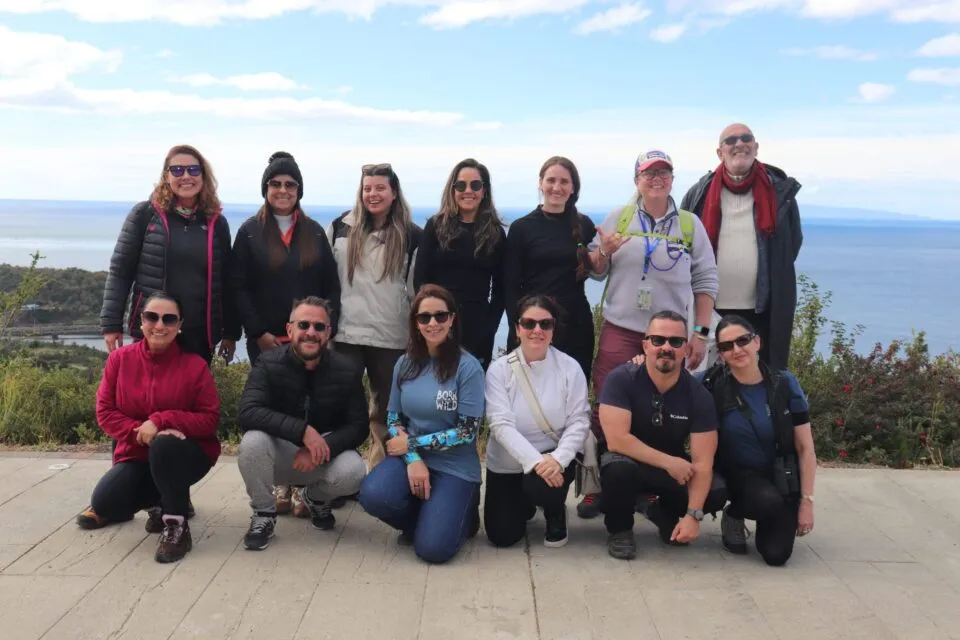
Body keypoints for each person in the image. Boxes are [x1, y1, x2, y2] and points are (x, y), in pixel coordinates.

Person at [577, 149, 719, 520]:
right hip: (622, 329)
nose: (656, 179)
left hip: (671, 337)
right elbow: (595, 270)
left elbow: (706, 282)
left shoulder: (690, 225)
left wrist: (701, 335)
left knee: (665, 410)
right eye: (648, 173)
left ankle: (649, 487)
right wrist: (602, 254)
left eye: (664, 173)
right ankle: (599, 485)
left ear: (673, 179)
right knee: (606, 408)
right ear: (636, 179)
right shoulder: (618, 218)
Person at [232, 151, 342, 518]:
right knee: (273, 409)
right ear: (266, 188)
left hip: (310, 340)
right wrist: (258, 331)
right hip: (266, 340)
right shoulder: (249, 231)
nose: (282, 190)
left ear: (299, 190)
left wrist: (327, 330)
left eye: (289, 184)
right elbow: (239, 287)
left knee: (308, 406)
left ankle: (303, 485)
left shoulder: (313, 232)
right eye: (276, 183)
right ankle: (278, 484)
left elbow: (331, 286)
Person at [76, 293, 220, 564]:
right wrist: (141, 431)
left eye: (169, 319)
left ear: (180, 325)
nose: (159, 325)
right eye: (151, 317)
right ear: (141, 322)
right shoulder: (119, 360)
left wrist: (162, 421)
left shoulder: (195, 365)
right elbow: (105, 413)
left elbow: (209, 419)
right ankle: (159, 501)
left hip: (187, 454)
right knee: (106, 503)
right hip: (137, 452)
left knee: (165, 445)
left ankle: (176, 525)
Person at [358, 284, 485, 564]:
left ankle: (462, 517)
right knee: (372, 495)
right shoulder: (404, 364)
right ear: (415, 323)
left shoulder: (469, 368)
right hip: (411, 460)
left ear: (452, 319)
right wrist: (413, 457)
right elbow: (393, 418)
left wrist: (411, 443)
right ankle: (428, 517)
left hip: (455, 467)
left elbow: (466, 432)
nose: (432, 323)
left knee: (433, 551)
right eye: (424, 317)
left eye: (440, 316)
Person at [236, 297, 368, 550]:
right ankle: (264, 514)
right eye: (304, 325)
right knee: (252, 442)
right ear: (290, 329)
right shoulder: (268, 362)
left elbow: (358, 425)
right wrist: (302, 432)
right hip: (281, 455)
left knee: (354, 471)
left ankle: (314, 498)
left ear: (328, 333)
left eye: (319, 327)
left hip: (320, 455)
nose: (311, 333)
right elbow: (248, 412)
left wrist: (321, 446)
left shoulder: (347, 369)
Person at [597, 310, 726, 561]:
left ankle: (662, 511)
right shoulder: (621, 379)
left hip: (670, 469)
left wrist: (693, 515)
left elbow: (702, 462)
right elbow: (617, 440)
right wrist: (670, 462)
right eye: (658, 340)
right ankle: (620, 530)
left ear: (686, 349)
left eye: (675, 342)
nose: (666, 347)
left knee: (717, 491)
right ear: (645, 345)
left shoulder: (698, 395)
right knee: (618, 471)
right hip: (627, 460)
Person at [100, 144, 240, 364]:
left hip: (198, 334)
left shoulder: (216, 223)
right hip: (154, 328)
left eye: (193, 170)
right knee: (147, 395)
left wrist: (230, 333)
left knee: (192, 395)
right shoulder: (145, 215)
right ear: (166, 176)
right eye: (177, 170)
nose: (186, 176)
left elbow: (227, 282)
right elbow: (120, 271)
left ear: (203, 176)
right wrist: (110, 324)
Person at [680, 123, 803, 372]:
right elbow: (682, 246)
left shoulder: (780, 192)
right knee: (709, 377)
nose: (739, 144)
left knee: (760, 376)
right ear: (719, 152)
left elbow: (791, 244)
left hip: (764, 309)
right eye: (731, 140)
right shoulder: (699, 193)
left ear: (756, 147)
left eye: (746, 138)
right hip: (709, 309)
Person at [701, 315, 817, 566]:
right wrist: (639, 362)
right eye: (726, 346)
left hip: (782, 474)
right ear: (720, 353)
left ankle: (763, 513)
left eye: (742, 340)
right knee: (766, 500)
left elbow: (805, 448)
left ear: (757, 342)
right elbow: (670, 376)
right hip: (738, 473)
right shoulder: (712, 383)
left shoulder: (786, 384)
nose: (736, 350)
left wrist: (807, 501)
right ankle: (734, 513)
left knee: (776, 555)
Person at [327, 163, 422, 468]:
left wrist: (415, 337)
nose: (373, 194)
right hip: (345, 334)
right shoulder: (340, 227)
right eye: (367, 188)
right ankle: (341, 474)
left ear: (394, 193)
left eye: (380, 188)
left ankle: (380, 473)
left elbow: (414, 291)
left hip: (391, 336)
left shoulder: (412, 235)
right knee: (341, 405)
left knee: (385, 412)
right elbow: (327, 281)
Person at [483, 295, 590, 548]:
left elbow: (579, 421)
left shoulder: (569, 368)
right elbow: (500, 425)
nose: (537, 330)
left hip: (554, 460)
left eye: (545, 324)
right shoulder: (499, 370)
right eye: (529, 324)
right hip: (509, 464)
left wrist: (557, 459)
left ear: (554, 329)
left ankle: (554, 508)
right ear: (518, 329)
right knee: (502, 536)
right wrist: (536, 461)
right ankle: (525, 502)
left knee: (542, 486)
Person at [503, 156, 597, 381]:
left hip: (576, 326)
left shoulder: (584, 225)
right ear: (540, 183)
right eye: (551, 180)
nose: (557, 187)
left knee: (573, 396)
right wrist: (518, 327)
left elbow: (598, 266)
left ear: (573, 187)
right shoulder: (521, 228)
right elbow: (509, 286)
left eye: (564, 181)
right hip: (533, 325)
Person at [413, 158, 506, 370]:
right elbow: (421, 281)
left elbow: (500, 289)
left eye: (475, 185)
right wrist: (430, 320)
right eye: (461, 185)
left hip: (477, 326)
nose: (468, 191)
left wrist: (490, 327)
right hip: (438, 322)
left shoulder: (495, 233)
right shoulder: (435, 226)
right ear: (452, 190)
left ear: (484, 191)